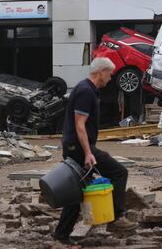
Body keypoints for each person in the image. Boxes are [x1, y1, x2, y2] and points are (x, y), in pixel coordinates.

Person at [53, 57, 138, 244]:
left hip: (75, 147)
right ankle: (116, 218)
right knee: (119, 172)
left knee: (77, 191)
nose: (110, 78)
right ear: (101, 72)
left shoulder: (89, 89)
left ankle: (61, 235)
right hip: (78, 148)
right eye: (110, 74)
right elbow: (79, 125)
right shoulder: (85, 91)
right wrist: (88, 153)